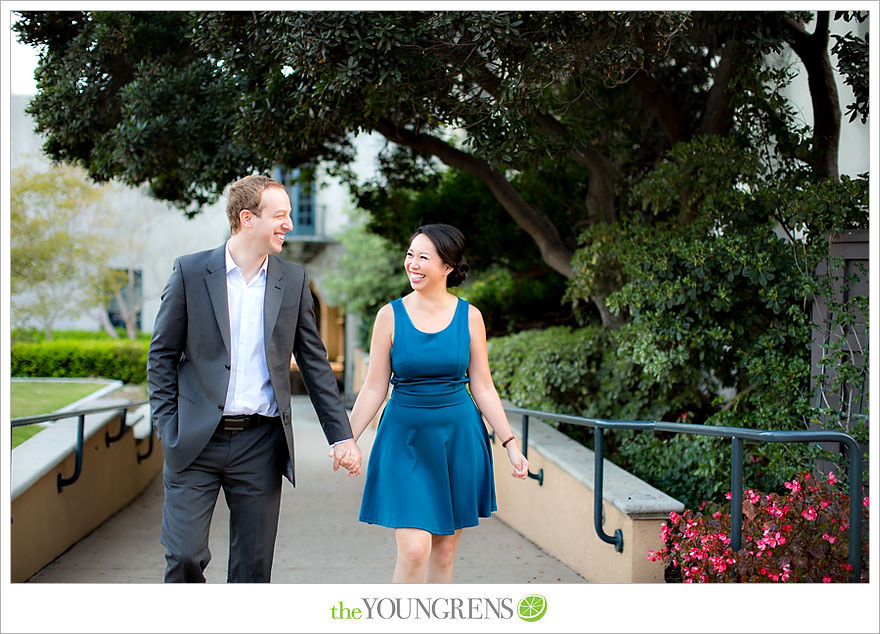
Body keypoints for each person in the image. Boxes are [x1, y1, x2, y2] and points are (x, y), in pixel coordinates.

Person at [147, 174, 361, 583]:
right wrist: (167, 426)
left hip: (260, 443)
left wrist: (341, 435)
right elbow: (161, 356)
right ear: (248, 218)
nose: (290, 224)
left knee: (252, 569)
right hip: (193, 442)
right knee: (184, 557)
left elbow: (314, 364)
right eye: (280, 215)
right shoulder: (191, 272)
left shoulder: (293, 281)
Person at [348, 223, 529, 583]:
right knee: (415, 550)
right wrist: (345, 439)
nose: (412, 264)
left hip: (457, 439)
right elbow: (373, 387)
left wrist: (510, 442)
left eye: (423, 257)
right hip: (404, 438)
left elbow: (483, 386)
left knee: (444, 554)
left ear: (448, 266)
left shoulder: (470, 316)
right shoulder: (389, 315)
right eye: (409, 255)